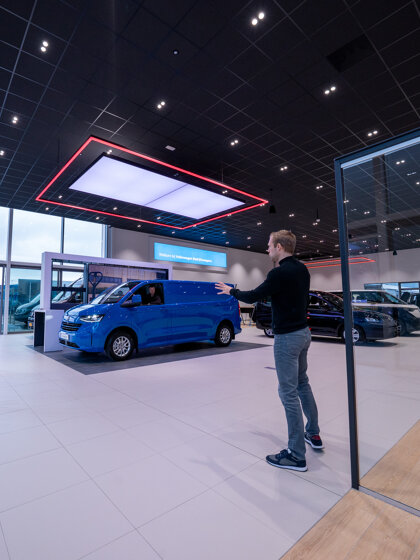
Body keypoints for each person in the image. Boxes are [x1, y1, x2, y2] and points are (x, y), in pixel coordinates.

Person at [216, 230, 322, 472]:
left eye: (269, 245)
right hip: (304, 333)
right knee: (302, 383)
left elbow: (254, 296)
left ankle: (296, 455)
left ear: (279, 247)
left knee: (288, 393)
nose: (267, 249)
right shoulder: (302, 269)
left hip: (287, 338)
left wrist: (231, 291)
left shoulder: (279, 273)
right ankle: (313, 434)